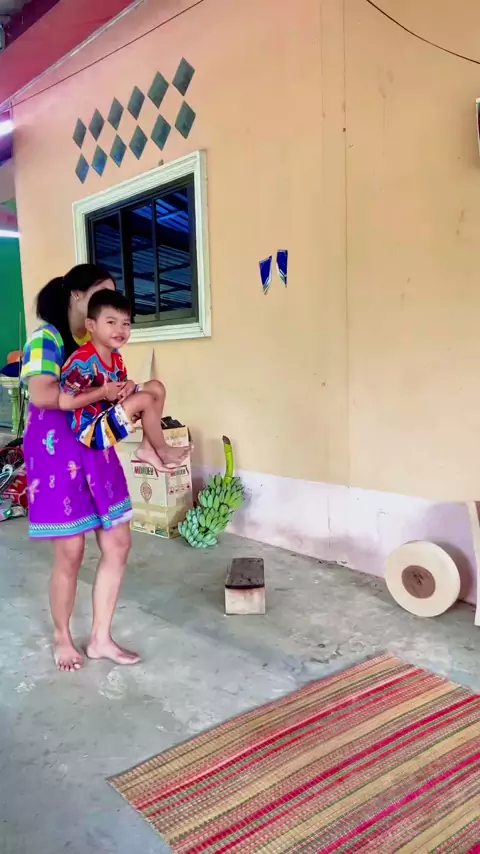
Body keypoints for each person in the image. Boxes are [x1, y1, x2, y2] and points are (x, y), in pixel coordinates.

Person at [21, 264, 143, 672]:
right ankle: (62, 637)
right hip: (57, 456)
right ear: (76, 296)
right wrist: (101, 392)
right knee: (71, 552)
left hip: (95, 450)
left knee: (118, 543)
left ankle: (101, 639)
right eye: (99, 294)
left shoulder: (97, 342)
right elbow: (43, 394)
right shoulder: (47, 339)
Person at [60, 289, 189, 472]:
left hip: (109, 414)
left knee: (156, 387)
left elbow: (120, 385)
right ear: (91, 325)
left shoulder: (116, 357)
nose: (120, 330)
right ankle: (163, 450)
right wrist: (104, 392)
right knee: (144, 399)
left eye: (126, 323)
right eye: (111, 322)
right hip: (90, 432)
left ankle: (147, 448)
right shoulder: (82, 362)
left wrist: (129, 385)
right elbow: (65, 402)